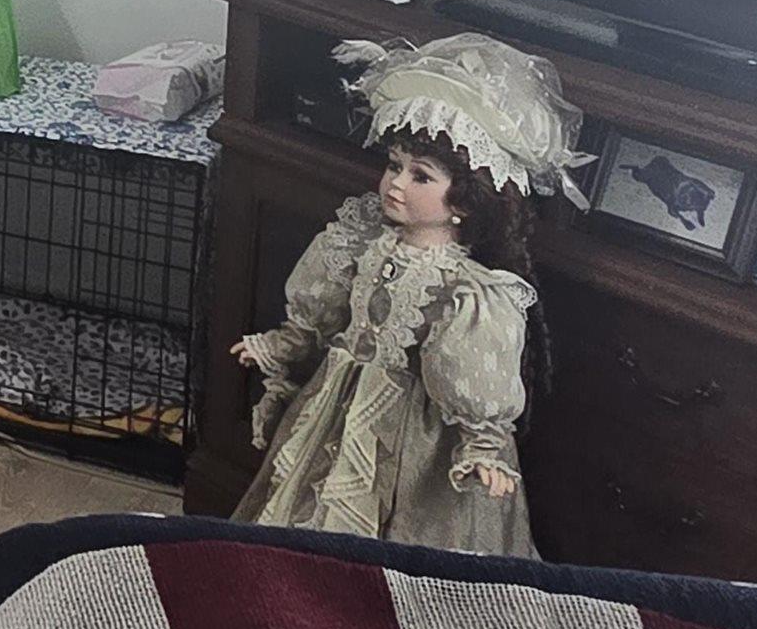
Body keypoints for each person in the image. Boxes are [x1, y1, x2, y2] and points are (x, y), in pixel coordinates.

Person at [228, 33, 586, 555]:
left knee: (402, 532)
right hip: (339, 398)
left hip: (415, 434)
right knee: (303, 504)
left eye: (421, 176)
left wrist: (482, 443)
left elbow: (472, 376)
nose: (396, 183)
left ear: (465, 200)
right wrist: (288, 342)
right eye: (394, 165)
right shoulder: (359, 238)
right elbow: (323, 313)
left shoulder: (473, 291)